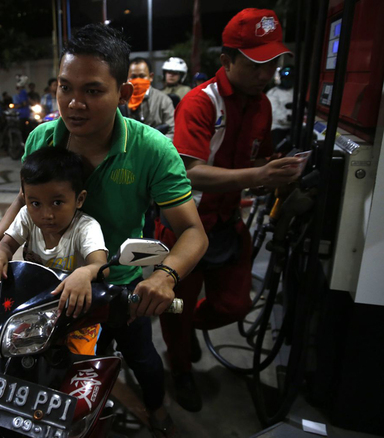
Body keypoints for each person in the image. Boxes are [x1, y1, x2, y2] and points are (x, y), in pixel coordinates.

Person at [0, 23, 208, 437]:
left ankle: (157, 408)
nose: (74, 103)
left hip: (117, 288)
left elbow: (193, 232)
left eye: (92, 90)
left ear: (123, 94)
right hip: (43, 291)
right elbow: (22, 200)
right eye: (65, 88)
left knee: (142, 359)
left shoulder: (153, 150)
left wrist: (165, 276)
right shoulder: (41, 137)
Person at [155, 9, 305, 413]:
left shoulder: (263, 106)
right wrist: (257, 173)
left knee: (235, 304)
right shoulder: (201, 101)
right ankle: (180, 365)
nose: (268, 72)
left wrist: (276, 175)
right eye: (257, 63)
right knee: (176, 306)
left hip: (228, 222)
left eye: (274, 62)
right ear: (227, 60)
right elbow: (189, 172)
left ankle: (184, 337)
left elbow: (254, 165)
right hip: (185, 227)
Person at [0, 147, 108, 355]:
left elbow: (100, 265)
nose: (46, 214)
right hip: (32, 310)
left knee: (77, 366)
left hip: (74, 313)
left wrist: (84, 273)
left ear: (79, 199)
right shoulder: (26, 217)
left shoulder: (86, 228)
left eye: (57, 203)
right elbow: (6, 244)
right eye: (36, 203)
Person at [126, 57, 175, 140]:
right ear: (127, 78)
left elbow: (172, 131)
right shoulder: (122, 100)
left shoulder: (163, 100)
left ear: (151, 77)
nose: (138, 80)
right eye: (133, 77)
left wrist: (156, 147)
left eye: (142, 76)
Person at [266, 66, 294, 148]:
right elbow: (276, 114)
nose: (288, 80)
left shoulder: (296, 92)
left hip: (293, 127)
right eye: (286, 78)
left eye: (291, 78)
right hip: (278, 128)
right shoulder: (273, 93)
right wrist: (290, 117)